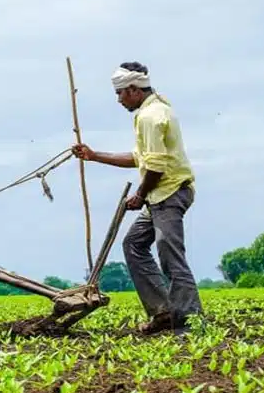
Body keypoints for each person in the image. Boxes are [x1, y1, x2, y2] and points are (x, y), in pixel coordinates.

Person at [71, 61, 203, 335]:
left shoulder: (151, 116)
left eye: (120, 93)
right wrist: (94, 156)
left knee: (171, 257)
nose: (119, 100)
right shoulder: (151, 111)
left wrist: (139, 196)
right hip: (159, 193)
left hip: (168, 192)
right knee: (134, 244)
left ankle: (190, 322)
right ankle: (164, 313)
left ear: (133, 89)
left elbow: (155, 167)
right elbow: (138, 158)